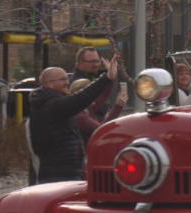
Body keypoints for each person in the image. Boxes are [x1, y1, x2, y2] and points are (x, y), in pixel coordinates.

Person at [29, 55, 118, 184]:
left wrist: (110, 81)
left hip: (58, 172)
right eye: (63, 80)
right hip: (61, 174)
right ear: (50, 84)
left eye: (67, 79)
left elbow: (92, 101)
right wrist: (106, 78)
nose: (67, 82)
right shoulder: (54, 104)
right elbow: (82, 98)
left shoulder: (45, 104)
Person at [69, 79, 128, 146]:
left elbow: (104, 96)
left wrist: (111, 79)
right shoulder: (79, 115)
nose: (94, 96)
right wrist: (118, 107)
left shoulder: (86, 109)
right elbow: (100, 130)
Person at [70, 47, 114, 122]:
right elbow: (93, 108)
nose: (96, 65)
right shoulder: (77, 85)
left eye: (98, 61)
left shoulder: (93, 78)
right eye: (93, 62)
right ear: (81, 64)